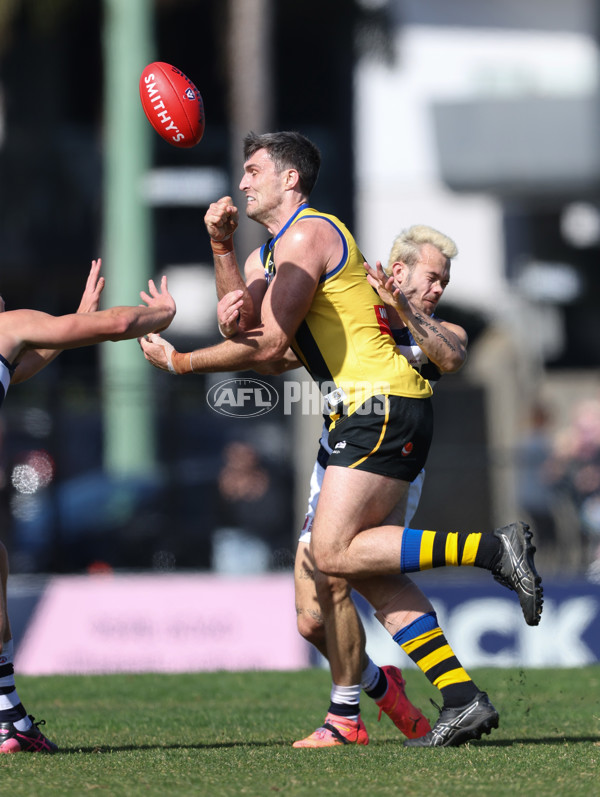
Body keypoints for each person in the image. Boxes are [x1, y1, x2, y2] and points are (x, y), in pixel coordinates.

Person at [139, 131, 543, 748]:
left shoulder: (311, 233)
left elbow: (269, 345)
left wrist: (182, 363)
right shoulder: (270, 255)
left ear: (290, 179)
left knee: (333, 556)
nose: (242, 181)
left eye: (253, 170)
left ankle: (492, 553)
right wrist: (221, 245)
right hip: (355, 416)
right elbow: (253, 333)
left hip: (376, 408)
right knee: (358, 571)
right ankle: (461, 700)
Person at [0, 258, 175, 754]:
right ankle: (8, 723)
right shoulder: (6, 327)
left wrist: (68, 324)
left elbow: (23, 369)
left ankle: (10, 721)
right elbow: (118, 324)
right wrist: (161, 316)